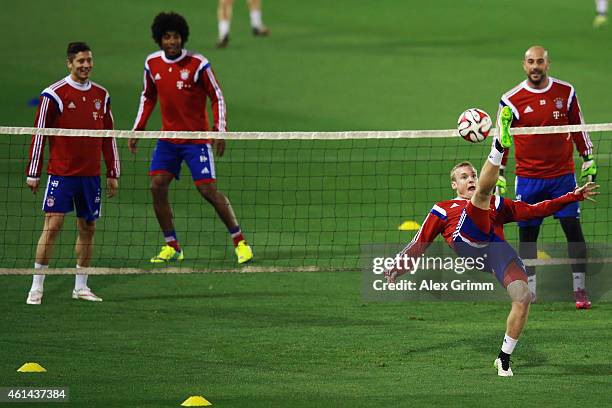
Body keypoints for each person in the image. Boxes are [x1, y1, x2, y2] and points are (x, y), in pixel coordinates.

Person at [386, 107, 599, 376]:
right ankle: (499, 142)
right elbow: (421, 241)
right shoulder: (442, 208)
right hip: (466, 242)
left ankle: (504, 358)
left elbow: (536, 209)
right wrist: (399, 265)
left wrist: (573, 196)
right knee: (481, 200)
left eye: (473, 175)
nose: (471, 179)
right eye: (464, 177)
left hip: (498, 255)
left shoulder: (498, 203)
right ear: (454, 185)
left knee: (522, 298)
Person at [129, 12, 253, 265]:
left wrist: (219, 131)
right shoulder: (152, 64)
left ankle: (240, 241)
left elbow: (216, 96)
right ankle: (172, 246)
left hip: (196, 140)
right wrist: (137, 129)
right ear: (159, 39)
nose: (172, 42)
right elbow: (148, 96)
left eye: (175, 37)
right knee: (157, 186)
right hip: (168, 140)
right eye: (167, 37)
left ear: (182, 37)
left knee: (207, 190)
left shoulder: (198, 64)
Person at [496, 45, 596, 309]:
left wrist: (588, 157)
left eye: (540, 61)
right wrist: (500, 172)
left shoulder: (566, 92)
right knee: (528, 235)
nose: (535, 66)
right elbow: (502, 138)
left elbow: (579, 126)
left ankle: (580, 290)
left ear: (548, 64)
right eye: (531, 62)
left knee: (573, 231)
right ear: (524, 64)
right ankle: (531, 290)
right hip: (528, 179)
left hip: (563, 176)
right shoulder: (511, 99)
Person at [25, 42, 120, 305]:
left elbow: (108, 136)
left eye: (89, 60)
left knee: (88, 227)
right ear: (69, 63)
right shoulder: (53, 95)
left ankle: (81, 286)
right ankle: (36, 286)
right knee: (53, 226)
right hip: (62, 174)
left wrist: (113, 171)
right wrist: (33, 172)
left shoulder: (102, 95)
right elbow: (39, 134)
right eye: (80, 61)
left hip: (90, 176)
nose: (86, 65)